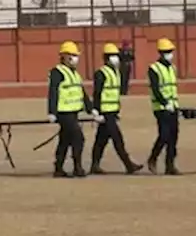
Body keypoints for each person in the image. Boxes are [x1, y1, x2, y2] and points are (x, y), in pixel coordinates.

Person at [90, 43, 142, 175]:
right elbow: (97, 93)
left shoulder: (116, 73)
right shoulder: (101, 73)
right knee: (117, 139)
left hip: (112, 112)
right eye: (113, 56)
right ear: (106, 58)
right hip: (105, 113)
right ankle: (128, 164)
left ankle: (94, 165)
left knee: (101, 140)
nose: (116, 59)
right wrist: (96, 111)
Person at [47, 41, 91, 178]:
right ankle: (78, 167)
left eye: (76, 55)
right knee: (78, 138)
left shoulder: (75, 74)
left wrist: (91, 109)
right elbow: (53, 92)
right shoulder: (57, 72)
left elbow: (82, 92)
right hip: (63, 112)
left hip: (73, 111)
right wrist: (52, 112)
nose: (75, 58)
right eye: (72, 55)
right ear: (64, 56)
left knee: (65, 139)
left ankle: (58, 167)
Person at [146, 38, 181, 176]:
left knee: (174, 136)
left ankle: (170, 165)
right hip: (160, 107)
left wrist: (173, 105)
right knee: (164, 135)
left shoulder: (173, 68)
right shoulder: (154, 69)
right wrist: (165, 103)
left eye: (170, 52)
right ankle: (153, 158)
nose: (169, 54)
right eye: (167, 52)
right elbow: (155, 89)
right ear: (160, 53)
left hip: (173, 106)